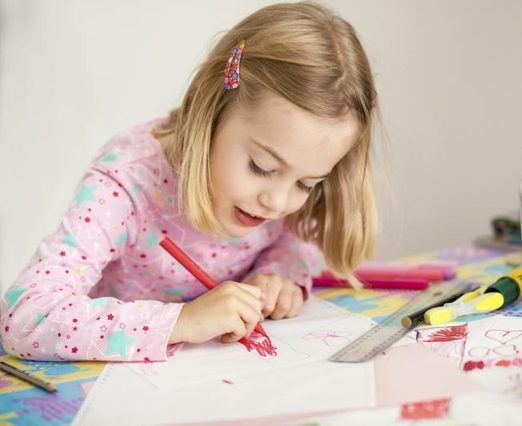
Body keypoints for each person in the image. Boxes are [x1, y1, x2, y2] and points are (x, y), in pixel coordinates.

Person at [0, 1, 378, 362]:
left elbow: (299, 236)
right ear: (211, 112)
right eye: (261, 167)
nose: (279, 203)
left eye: (307, 184)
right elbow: (25, 315)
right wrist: (182, 321)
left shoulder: (284, 181)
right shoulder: (128, 180)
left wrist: (278, 273)